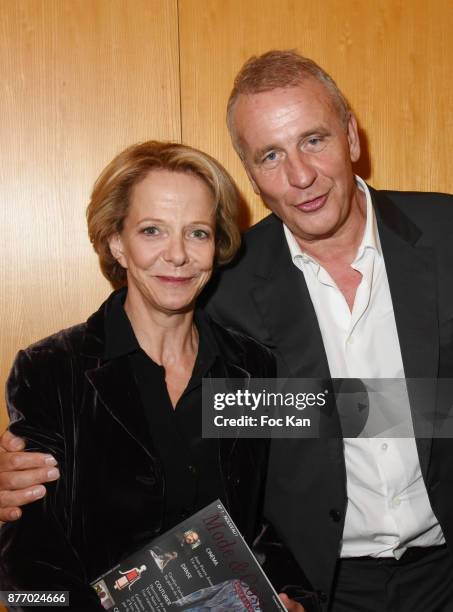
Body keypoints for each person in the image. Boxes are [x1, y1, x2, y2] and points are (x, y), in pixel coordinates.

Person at [2, 49, 453, 610]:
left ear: (352, 139)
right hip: (328, 586)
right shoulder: (216, 299)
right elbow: (30, 575)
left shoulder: (445, 235)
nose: (301, 174)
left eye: (313, 139)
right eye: (270, 154)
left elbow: (322, 422)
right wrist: (24, 470)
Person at [0, 140, 305, 610]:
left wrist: (293, 596)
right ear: (116, 242)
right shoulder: (51, 370)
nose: (178, 255)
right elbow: (28, 578)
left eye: (198, 233)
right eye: (152, 231)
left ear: (217, 243)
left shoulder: (250, 368)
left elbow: (265, 518)